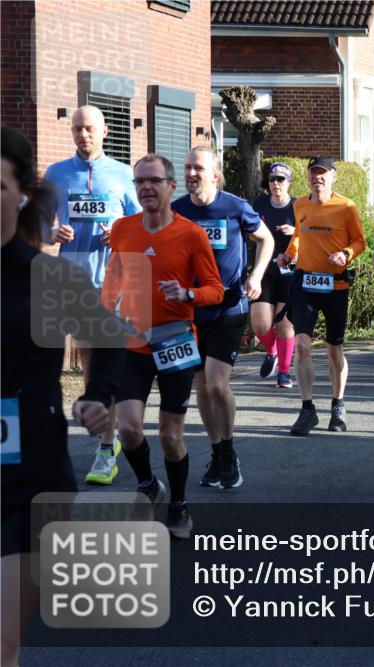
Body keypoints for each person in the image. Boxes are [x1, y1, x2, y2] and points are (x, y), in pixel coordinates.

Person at [2, 127, 125, 664]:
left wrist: (97, 396)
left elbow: (108, 335)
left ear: (20, 194)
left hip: (30, 474)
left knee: (3, 637)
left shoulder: (46, 277)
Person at [102, 154, 225, 539]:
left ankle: (179, 505)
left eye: (154, 181)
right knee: (128, 429)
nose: (146, 188)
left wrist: (187, 292)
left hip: (176, 342)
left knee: (170, 435)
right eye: (139, 182)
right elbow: (113, 280)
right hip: (133, 343)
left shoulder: (191, 234)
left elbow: (215, 290)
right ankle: (147, 485)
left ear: (172, 186)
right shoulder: (122, 229)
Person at [44, 105, 141, 486]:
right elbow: (37, 223)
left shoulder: (121, 174)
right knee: (89, 364)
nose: (83, 134)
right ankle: (109, 437)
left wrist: (120, 232)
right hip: (75, 282)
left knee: (107, 361)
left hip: (114, 282)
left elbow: (139, 221)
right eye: (77, 129)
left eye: (89, 129)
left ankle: (105, 448)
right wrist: (52, 234)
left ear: (104, 132)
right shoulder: (56, 174)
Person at [172, 147, 273, 490]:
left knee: (216, 383)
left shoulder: (234, 207)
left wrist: (256, 275)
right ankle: (217, 453)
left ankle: (229, 453)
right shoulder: (178, 210)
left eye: (198, 167)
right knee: (201, 386)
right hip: (191, 310)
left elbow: (267, 239)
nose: (191, 173)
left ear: (214, 174)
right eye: (187, 167)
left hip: (229, 307)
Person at [277, 156, 366, 434]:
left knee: (333, 349)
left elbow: (360, 241)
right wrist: (288, 255)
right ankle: (307, 410)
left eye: (323, 173)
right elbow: (299, 237)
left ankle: (338, 405)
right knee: (302, 345)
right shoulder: (299, 204)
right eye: (314, 173)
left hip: (335, 286)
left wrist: (346, 254)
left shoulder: (346, 206)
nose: (318, 178)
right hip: (305, 284)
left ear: (333, 177)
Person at [251, 163, 297, 388]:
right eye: (272, 179)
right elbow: (248, 231)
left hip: (290, 271)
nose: (276, 184)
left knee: (284, 323)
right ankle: (272, 351)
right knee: (260, 324)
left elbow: (310, 235)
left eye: (281, 179)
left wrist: (294, 232)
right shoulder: (259, 204)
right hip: (265, 270)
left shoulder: (298, 206)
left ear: (289, 182)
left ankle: (284, 372)